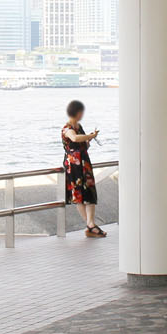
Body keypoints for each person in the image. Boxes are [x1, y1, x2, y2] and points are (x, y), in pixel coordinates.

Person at [62, 100, 104, 237]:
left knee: (90, 191)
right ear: (77, 113)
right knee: (78, 194)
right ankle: (90, 225)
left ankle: (90, 224)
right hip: (73, 165)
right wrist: (90, 136)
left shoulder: (79, 127)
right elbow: (74, 139)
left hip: (84, 162)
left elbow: (83, 143)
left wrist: (90, 138)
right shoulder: (67, 129)